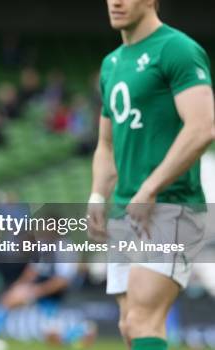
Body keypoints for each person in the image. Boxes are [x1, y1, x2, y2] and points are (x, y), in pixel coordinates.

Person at [87, 1, 214, 350]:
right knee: (130, 326)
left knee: (144, 318)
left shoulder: (178, 49)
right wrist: (98, 195)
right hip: (126, 209)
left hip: (172, 205)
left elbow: (203, 127)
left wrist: (151, 186)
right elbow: (106, 145)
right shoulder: (111, 63)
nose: (116, 1)